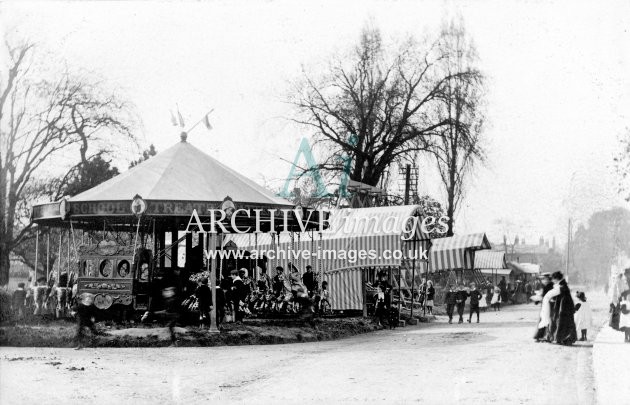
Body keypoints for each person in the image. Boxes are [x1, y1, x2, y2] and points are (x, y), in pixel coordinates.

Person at [546, 271, 577, 345]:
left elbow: (562, 295)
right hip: (564, 306)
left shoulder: (562, 285)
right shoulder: (561, 284)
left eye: (553, 279)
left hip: (564, 307)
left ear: (556, 278)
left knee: (562, 322)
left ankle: (564, 338)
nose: (552, 281)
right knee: (563, 322)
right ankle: (562, 338)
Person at [534, 273, 554, 341]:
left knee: (548, 320)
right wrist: (537, 300)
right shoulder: (543, 286)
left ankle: (548, 336)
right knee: (543, 320)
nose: (545, 280)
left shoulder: (551, 286)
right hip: (544, 305)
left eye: (546, 279)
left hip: (550, 305)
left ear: (549, 279)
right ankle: (540, 336)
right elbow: (541, 294)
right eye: (544, 279)